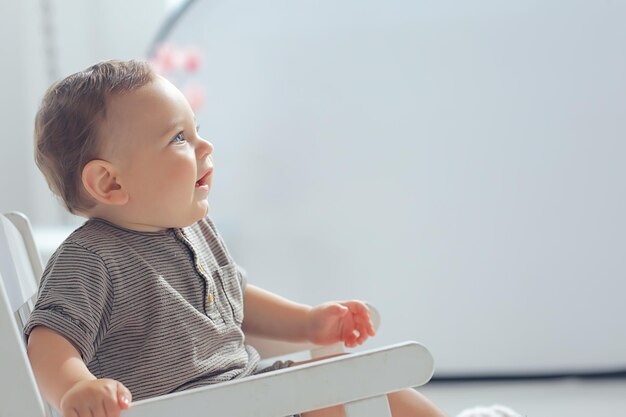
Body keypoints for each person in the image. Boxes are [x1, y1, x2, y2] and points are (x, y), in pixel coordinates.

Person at [24, 60, 448, 417]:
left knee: (363, 379)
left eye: (197, 129)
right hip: (208, 407)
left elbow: (236, 297)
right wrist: (73, 389)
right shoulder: (91, 259)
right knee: (364, 391)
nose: (205, 146)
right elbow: (49, 339)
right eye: (179, 138)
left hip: (249, 392)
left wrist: (307, 322)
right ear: (110, 182)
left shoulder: (191, 230)